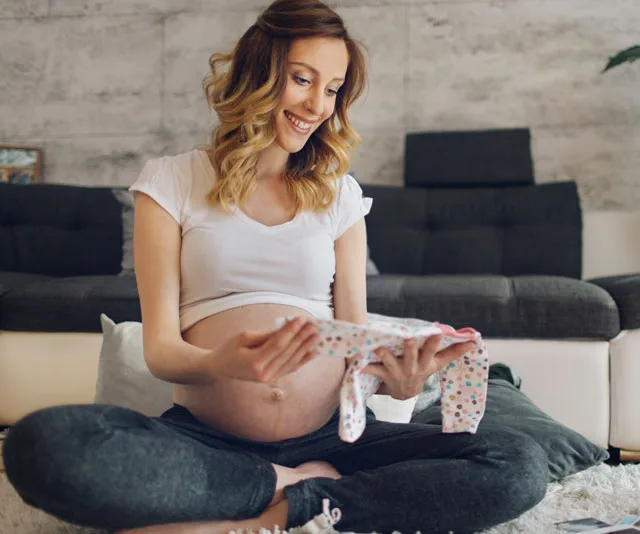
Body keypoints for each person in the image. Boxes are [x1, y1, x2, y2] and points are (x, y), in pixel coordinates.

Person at [2, 1, 549, 533]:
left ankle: (294, 505)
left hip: (334, 440)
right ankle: (280, 482)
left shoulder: (340, 196)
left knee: (518, 463)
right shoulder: (170, 182)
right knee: (41, 446)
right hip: (206, 442)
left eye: (333, 89)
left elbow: (354, 340)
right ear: (259, 75)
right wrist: (223, 362)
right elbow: (161, 351)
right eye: (303, 79)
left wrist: (395, 384)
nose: (318, 106)